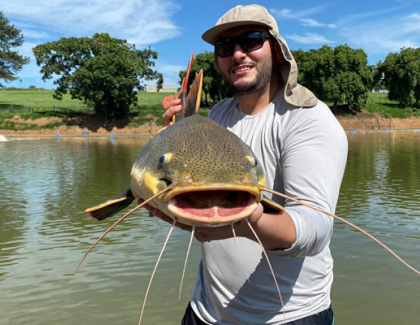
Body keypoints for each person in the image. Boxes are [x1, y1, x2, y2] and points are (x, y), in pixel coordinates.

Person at [144, 4, 348, 325]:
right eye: (225, 47)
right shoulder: (219, 115)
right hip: (205, 311)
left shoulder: (307, 119)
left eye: (251, 40)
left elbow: (315, 230)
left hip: (288, 317)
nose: (238, 54)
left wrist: (245, 220)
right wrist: (175, 133)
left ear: (277, 50)